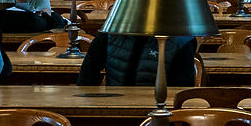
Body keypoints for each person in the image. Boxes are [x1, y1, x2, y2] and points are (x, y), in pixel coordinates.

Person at [75, 30, 203, 89]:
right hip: (114, 113)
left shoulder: (180, 41)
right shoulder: (110, 34)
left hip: (159, 120)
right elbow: (87, 77)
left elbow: (182, 91)